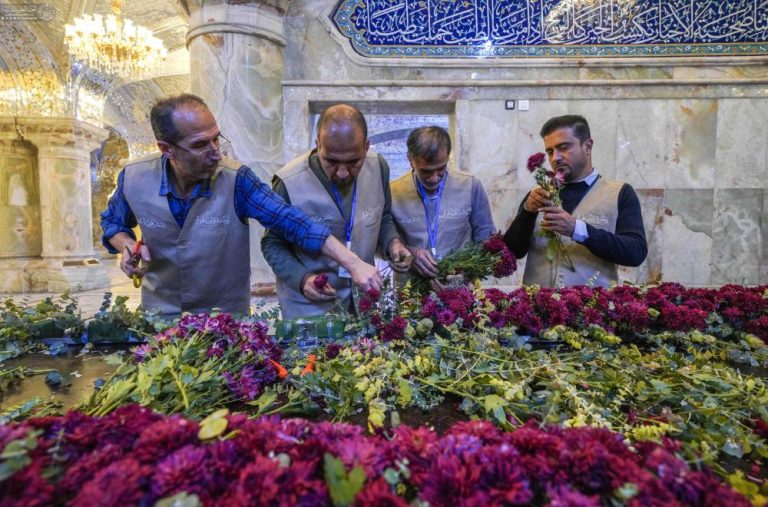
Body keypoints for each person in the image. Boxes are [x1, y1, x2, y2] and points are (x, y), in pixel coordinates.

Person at [101, 94, 381, 317]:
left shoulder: (237, 179)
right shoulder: (134, 176)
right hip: (160, 316)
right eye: (200, 144)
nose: (215, 152)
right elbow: (113, 223)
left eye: (216, 138)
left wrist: (352, 262)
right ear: (166, 149)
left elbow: (290, 221)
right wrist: (126, 244)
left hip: (225, 320)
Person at [261, 104, 412, 318]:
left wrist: (393, 244)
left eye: (353, 162)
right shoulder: (288, 181)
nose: (342, 173)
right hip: (309, 308)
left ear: (366, 147)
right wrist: (302, 279)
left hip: (362, 303)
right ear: (318, 145)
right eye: (331, 161)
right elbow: (271, 243)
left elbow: (383, 217)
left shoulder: (378, 167)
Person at [503, 114, 647, 287]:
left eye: (563, 147)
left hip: (594, 310)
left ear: (587, 146)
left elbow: (635, 252)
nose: (555, 158)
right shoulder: (538, 195)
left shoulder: (620, 193)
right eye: (550, 151)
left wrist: (578, 229)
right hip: (536, 310)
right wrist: (527, 212)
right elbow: (512, 252)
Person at [390, 126, 495, 284]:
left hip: (460, 291)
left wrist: (468, 270)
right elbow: (381, 244)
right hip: (410, 293)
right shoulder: (393, 192)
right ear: (410, 160)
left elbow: (486, 239)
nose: (434, 178)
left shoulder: (470, 186)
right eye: (426, 171)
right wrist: (409, 253)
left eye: (441, 169)